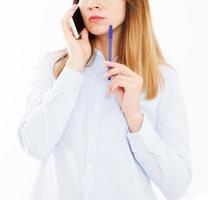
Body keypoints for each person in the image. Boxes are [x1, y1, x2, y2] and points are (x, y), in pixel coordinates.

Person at [17, 0, 192, 199]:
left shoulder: (162, 78)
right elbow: (34, 145)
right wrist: (73, 68)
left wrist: (135, 118)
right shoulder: (53, 67)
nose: (93, 4)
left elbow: (177, 185)